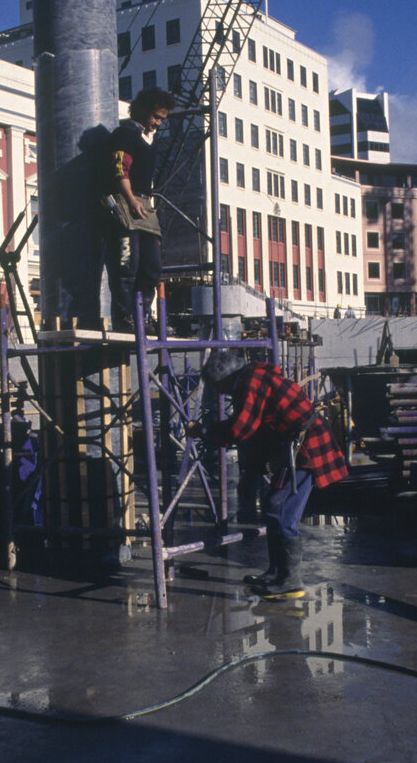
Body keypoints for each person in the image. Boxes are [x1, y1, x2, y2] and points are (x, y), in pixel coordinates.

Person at [193, 350, 348, 600]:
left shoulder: (251, 381)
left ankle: (290, 581)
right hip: (295, 444)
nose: (220, 394)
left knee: (281, 509)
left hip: (306, 444)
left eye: (217, 387)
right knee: (274, 506)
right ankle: (278, 573)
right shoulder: (253, 378)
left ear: (222, 378)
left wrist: (206, 431)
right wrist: (249, 475)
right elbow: (259, 436)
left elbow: (242, 428)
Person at [106, 87, 176, 334]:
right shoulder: (124, 134)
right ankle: (125, 318)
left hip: (145, 204)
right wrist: (130, 199)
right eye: (156, 117)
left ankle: (143, 315)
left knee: (151, 267)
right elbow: (119, 170)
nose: (158, 123)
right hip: (126, 202)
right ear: (144, 111)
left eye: (161, 119)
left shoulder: (150, 140)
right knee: (127, 264)